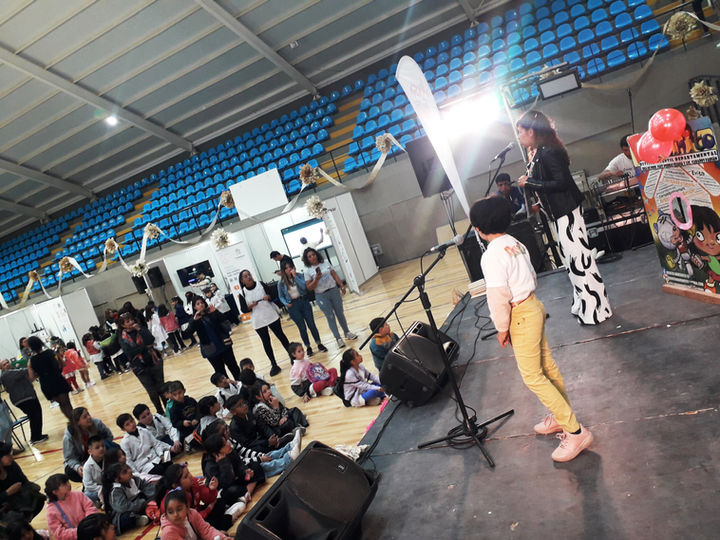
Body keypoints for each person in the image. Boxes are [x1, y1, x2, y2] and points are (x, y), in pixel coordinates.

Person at [470, 195, 594, 462]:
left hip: (520, 315)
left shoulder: (491, 255)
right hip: (533, 305)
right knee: (547, 367)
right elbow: (532, 274)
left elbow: (497, 296)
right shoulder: (515, 243)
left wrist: (502, 328)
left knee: (533, 376)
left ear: (478, 229)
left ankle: (575, 432)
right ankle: (562, 417)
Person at [516, 110, 612, 325]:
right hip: (559, 214)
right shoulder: (540, 151)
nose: (519, 137)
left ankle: (595, 308)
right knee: (572, 262)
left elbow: (561, 182)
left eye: (521, 132)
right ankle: (585, 303)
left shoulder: (548, 151)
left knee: (579, 261)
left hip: (567, 212)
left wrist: (530, 183)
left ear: (531, 131)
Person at [237, 269, 290, 376]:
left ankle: (292, 356)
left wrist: (269, 297)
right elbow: (243, 309)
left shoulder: (261, 284)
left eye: (249, 274)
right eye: (245, 276)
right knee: (266, 342)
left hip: (270, 315)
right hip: (258, 320)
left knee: (281, 336)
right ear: (242, 281)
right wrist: (250, 306)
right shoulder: (242, 293)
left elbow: (273, 296)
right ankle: (274, 364)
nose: (249, 277)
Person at [302, 247, 358, 348]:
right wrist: (316, 279)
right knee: (330, 316)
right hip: (321, 296)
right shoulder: (308, 271)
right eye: (309, 256)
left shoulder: (326, 263)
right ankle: (338, 338)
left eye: (313, 254)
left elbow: (334, 274)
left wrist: (341, 285)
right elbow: (309, 287)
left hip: (334, 291)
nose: (312, 257)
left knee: (340, 313)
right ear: (307, 259)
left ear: (316, 254)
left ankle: (347, 332)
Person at [278, 260, 328, 357]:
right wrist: (286, 304)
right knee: (302, 328)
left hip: (304, 302)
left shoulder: (300, 276)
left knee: (311, 324)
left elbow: (304, 287)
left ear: (293, 267)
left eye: (290, 267)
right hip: (293, 306)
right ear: (283, 270)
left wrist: (295, 277)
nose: (289, 270)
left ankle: (319, 343)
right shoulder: (281, 282)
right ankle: (308, 347)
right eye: (286, 268)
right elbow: (281, 296)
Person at [118, 311, 165, 413]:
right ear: (123, 325)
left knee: (162, 387)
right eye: (127, 321)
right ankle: (160, 411)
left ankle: (168, 409)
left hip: (154, 361)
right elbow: (129, 353)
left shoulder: (141, 329)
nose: (131, 322)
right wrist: (145, 347)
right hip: (139, 367)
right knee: (152, 391)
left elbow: (151, 340)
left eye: (131, 319)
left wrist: (140, 330)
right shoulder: (122, 338)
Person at [201, 433, 264, 505]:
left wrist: (246, 472)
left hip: (236, 479)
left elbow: (240, 465)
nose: (228, 444)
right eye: (224, 445)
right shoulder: (210, 466)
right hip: (225, 487)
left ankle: (247, 494)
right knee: (232, 491)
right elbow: (226, 483)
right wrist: (223, 463)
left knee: (255, 466)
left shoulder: (230, 451)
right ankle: (248, 490)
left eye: (226, 441)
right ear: (216, 453)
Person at [187, 297, 240, 379]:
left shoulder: (212, 312)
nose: (201, 305)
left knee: (233, 366)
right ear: (194, 307)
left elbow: (225, 320)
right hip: (210, 348)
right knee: (220, 372)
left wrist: (216, 312)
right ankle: (228, 386)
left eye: (202, 302)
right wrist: (194, 321)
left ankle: (240, 384)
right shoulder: (194, 319)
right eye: (198, 304)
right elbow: (188, 332)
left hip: (224, 344)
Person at [0, 358, 48, 443]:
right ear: (1, 368)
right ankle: (35, 437)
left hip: (27, 396)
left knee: (35, 415)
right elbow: (24, 371)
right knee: (35, 415)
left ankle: (36, 436)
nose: (7, 364)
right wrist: (30, 366)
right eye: (4, 364)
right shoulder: (6, 374)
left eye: (7, 362)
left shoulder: (12, 371)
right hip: (23, 398)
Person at [227, 395, 294, 454]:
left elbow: (263, 426)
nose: (244, 405)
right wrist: (267, 442)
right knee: (258, 448)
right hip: (253, 446)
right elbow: (247, 444)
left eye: (244, 402)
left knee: (277, 430)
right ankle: (280, 447)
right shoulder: (234, 427)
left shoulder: (248, 413)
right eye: (240, 405)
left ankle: (279, 443)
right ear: (233, 412)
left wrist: (272, 436)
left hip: (261, 438)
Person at [26, 336, 73, 421]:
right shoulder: (51, 352)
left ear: (30, 347)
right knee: (67, 404)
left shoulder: (31, 361)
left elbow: (32, 377)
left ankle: (72, 422)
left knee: (61, 404)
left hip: (46, 384)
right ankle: (75, 423)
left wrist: (40, 374)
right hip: (57, 379)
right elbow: (63, 364)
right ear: (40, 343)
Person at [63, 407, 115, 482]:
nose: (89, 417)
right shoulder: (69, 436)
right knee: (70, 471)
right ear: (78, 422)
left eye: (88, 414)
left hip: (98, 455)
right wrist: (77, 467)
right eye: (85, 417)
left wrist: (100, 448)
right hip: (82, 461)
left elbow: (109, 436)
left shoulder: (97, 423)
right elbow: (69, 458)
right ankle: (88, 483)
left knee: (114, 449)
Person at [159, 490, 232, 540]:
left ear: (187, 507)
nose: (175, 514)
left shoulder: (192, 513)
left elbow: (206, 530)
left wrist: (221, 537)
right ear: (166, 514)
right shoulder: (168, 532)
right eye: (170, 512)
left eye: (179, 509)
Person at [0, 441, 46, 521]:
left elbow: (24, 482)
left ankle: (24, 523)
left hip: (13, 500)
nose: (12, 457)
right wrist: (7, 493)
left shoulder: (12, 465)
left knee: (38, 498)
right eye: (8, 455)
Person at [102, 463, 152, 534]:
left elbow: (148, 488)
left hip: (138, 505)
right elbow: (123, 507)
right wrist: (143, 503)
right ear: (117, 479)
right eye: (125, 472)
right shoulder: (116, 490)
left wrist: (150, 500)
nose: (129, 471)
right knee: (126, 518)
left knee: (154, 502)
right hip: (124, 512)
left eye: (128, 468)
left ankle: (142, 516)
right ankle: (137, 520)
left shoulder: (135, 479)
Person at [45, 473, 98, 540]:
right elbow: (59, 533)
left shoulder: (78, 495)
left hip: (89, 531)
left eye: (68, 482)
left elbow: (90, 508)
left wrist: (88, 523)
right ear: (55, 492)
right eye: (64, 484)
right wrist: (80, 532)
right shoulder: (51, 511)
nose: (68, 485)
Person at [168, 381, 199, 448]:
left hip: (198, 425)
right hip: (186, 431)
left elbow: (199, 411)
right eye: (175, 395)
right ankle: (188, 442)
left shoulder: (191, 400)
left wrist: (197, 418)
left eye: (179, 393)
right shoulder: (173, 409)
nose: (178, 396)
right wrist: (182, 423)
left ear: (184, 390)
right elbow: (174, 423)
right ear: (172, 395)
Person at [82, 436, 106, 506]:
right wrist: (101, 488)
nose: (101, 449)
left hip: (108, 487)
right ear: (90, 451)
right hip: (95, 491)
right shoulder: (87, 466)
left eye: (103, 446)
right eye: (97, 447)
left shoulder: (109, 459)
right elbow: (88, 485)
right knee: (87, 495)